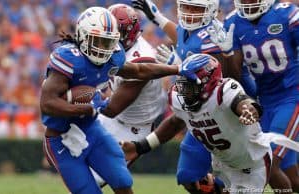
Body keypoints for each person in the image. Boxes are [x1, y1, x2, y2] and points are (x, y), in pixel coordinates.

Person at [40, 6, 205, 194]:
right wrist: (84, 109)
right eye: (99, 41)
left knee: (122, 181)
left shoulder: (113, 55)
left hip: (91, 128)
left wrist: (177, 69)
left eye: (108, 42)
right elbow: (47, 104)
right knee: (87, 191)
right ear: (83, 36)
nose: (104, 48)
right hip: (61, 136)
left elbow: (139, 70)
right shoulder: (68, 59)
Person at [122, 53, 299, 194]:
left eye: (190, 85)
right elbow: (175, 123)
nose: (183, 91)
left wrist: (249, 110)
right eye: (182, 84)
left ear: (209, 83)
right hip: (222, 162)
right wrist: (141, 147)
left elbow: (243, 102)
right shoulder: (179, 97)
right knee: (196, 181)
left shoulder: (224, 91)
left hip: (252, 163)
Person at [131, 0, 232, 193]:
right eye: (186, 7)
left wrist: (179, 66)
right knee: (188, 177)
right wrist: (157, 18)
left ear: (210, 10)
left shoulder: (212, 35)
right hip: (198, 115)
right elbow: (182, 36)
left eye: (196, 9)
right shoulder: (191, 29)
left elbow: (218, 81)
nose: (189, 13)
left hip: (219, 114)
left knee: (237, 176)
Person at [206, 0, 299, 192]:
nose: (247, 3)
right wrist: (228, 53)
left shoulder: (287, 15)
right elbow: (234, 77)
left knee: (268, 163)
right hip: (263, 101)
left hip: (292, 95)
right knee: (292, 177)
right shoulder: (233, 21)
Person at [91, 3, 167, 186]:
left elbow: (112, 108)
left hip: (134, 127)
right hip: (113, 117)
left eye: (118, 32)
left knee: (94, 180)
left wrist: (79, 98)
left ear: (131, 33)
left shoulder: (141, 58)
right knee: (77, 170)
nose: (112, 38)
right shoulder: (116, 49)